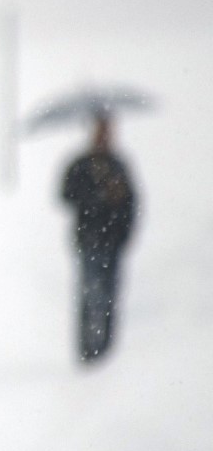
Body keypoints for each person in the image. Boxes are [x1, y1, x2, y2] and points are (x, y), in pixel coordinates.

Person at [60, 112, 137, 363]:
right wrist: (97, 195)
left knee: (110, 296)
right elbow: (66, 195)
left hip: (112, 242)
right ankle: (88, 349)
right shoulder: (81, 164)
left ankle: (106, 349)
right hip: (89, 239)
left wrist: (124, 233)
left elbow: (130, 204)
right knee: (91, 294)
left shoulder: (118, 166)